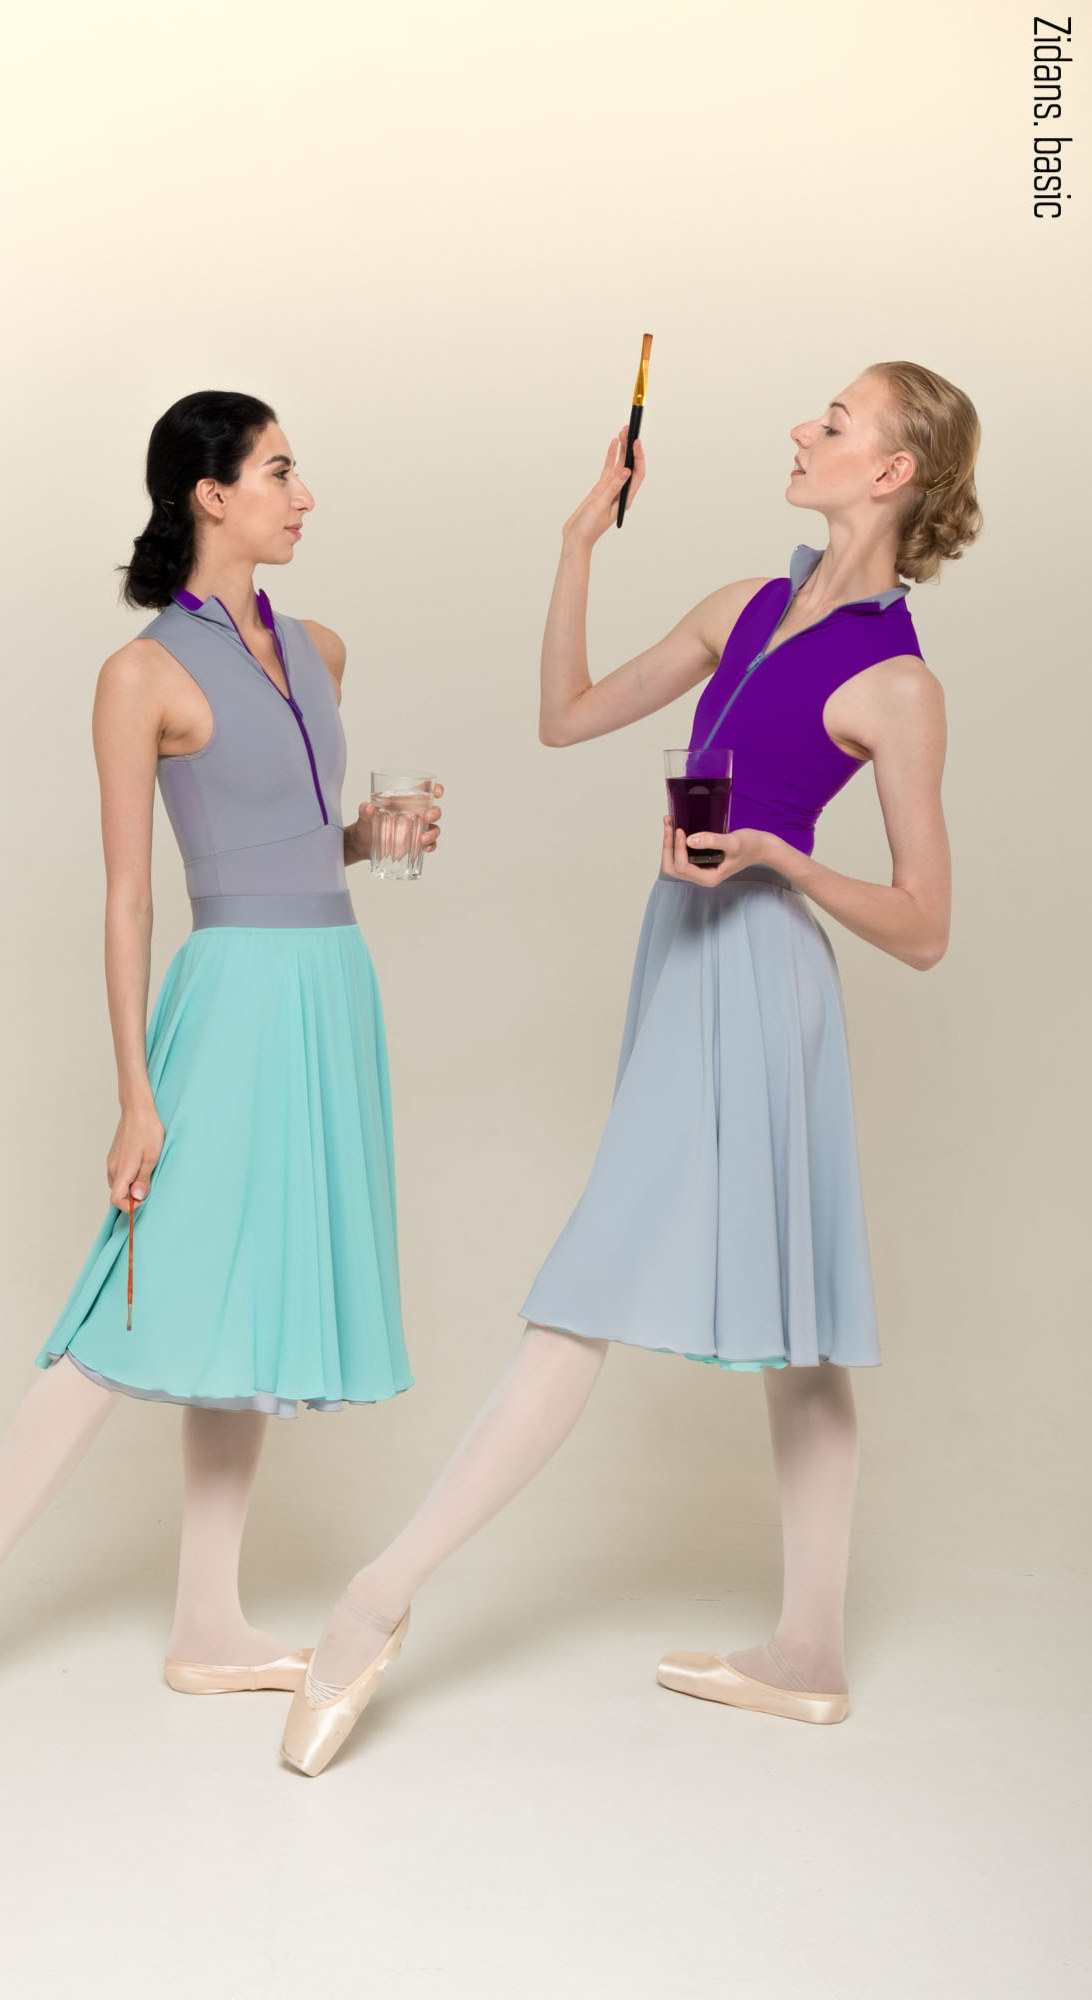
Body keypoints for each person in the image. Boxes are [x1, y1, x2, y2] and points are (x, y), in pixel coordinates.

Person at [281, 360, 979, 1777]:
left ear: (892, 471)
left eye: (834, 421)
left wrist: (780, 854)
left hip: (761, 975)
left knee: (618, 1294)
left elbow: (924, 927)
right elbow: (568, 714)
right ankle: (809, 1657)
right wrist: (575, 544)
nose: (801, 429)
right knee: (791, 1325)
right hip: (679, 957)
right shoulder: (745, 608)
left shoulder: (899, 685)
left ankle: (377, 1599)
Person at [0, 389, 442, 1741]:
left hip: (331, 990)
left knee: (245, 1310)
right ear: (210, 493)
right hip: (233, 1001)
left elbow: (294, 838)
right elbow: (131, 897)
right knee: (130, 1307)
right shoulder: (140, 675)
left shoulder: (321, 648)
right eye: (279, 471)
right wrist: (136, 1093)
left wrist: (368, 837)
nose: (302, 495)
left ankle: (209, 1623)